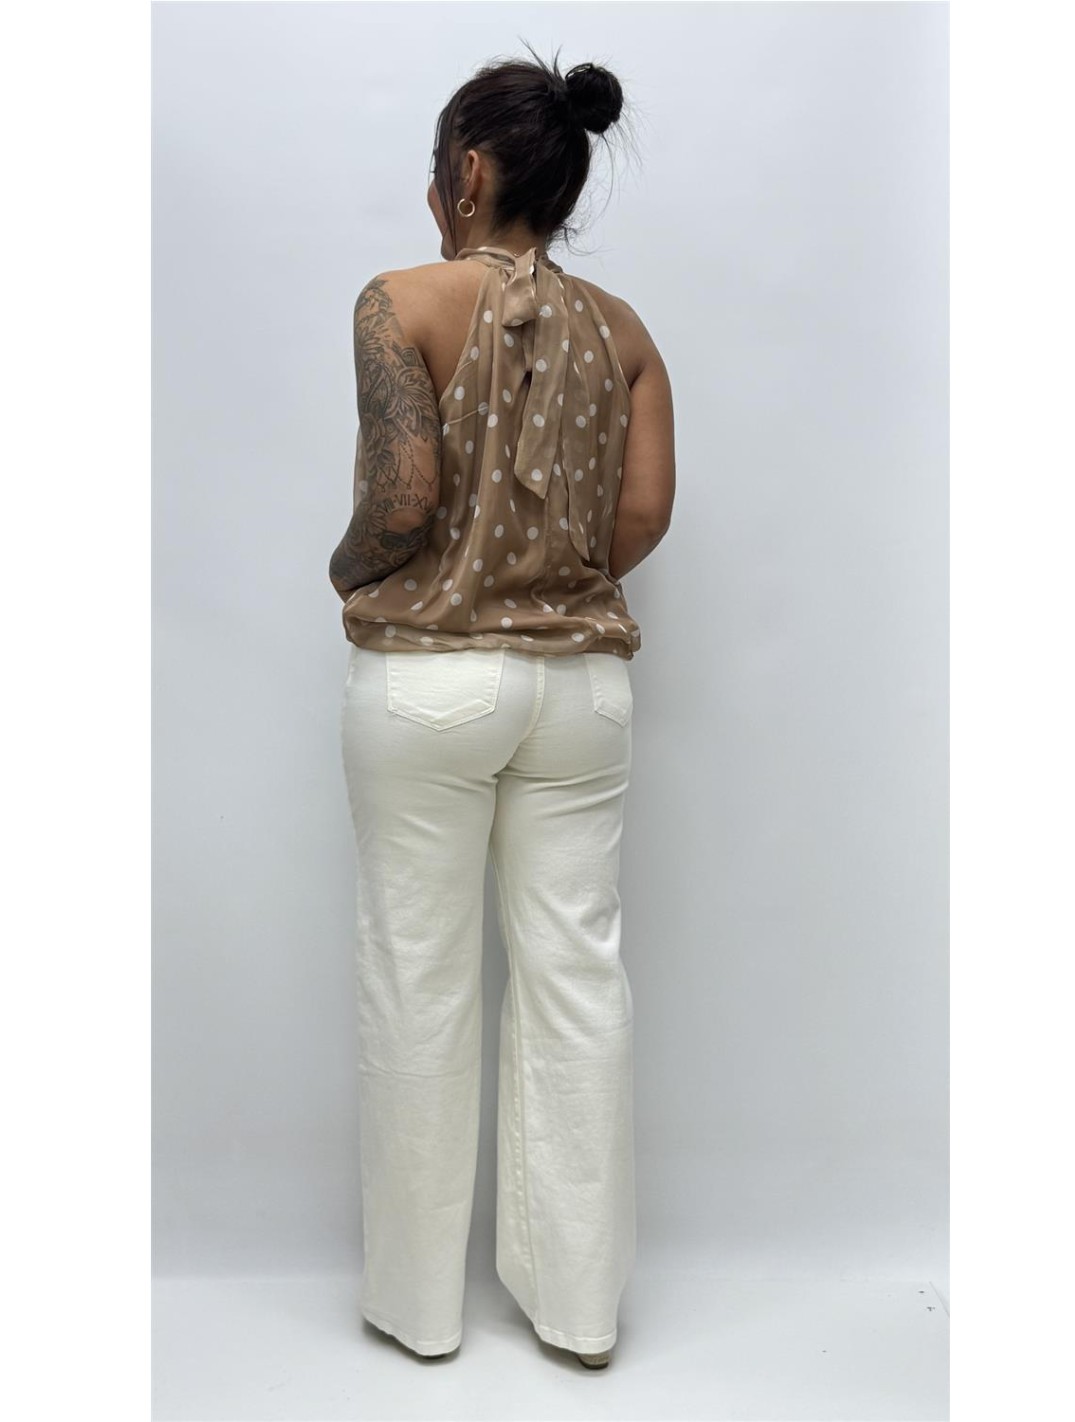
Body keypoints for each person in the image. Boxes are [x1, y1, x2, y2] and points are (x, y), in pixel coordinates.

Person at [330, 44, 675, 1370]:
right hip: (583, 695)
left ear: (469, 173)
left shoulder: (398, 303)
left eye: (439, 171)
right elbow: (641, 518)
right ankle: (580, 1309)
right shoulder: (628, 336)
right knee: (577, 980)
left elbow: (402, 500)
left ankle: (420, 1311)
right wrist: (549, 580)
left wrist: (349, 570)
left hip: (428, 685)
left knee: (419, 979)